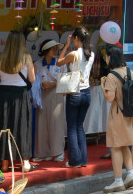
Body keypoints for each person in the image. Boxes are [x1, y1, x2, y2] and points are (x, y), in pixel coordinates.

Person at [0, 30, 36, 173]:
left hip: (2, 95)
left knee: (3, 127)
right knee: (22, 127)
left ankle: (4, 163)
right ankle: (25, 162)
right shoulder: (26, 58)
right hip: (20, 96)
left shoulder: (0, 58)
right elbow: (32, 79)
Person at [100, 44, 133, 193]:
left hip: (118, 114)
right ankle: (130, 174)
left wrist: (103, 86)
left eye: (106, 56)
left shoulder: (111, 76)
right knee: (125, 145)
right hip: (130, 113)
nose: (105, 58)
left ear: (111, 57)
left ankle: (117, 181)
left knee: (116, 146)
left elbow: (110, 98)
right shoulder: (129, 71)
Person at [57, 26, 95, 168]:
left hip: (74, 93)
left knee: (72, 127)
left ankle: (74, 161)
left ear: (77, 39)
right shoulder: (92, 54)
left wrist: (66, 46)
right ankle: (83, 160)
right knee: (80, 127)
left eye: (73, 39)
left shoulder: (73, 54)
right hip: (86, 93)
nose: (72, 41)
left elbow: (58, 62)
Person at [33, 39, 66, 162]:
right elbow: (33, 80)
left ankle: (58, 152)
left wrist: (51, 84)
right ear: (45, 50)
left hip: (56, 93)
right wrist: (41, 84)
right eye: (53, 49)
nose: (55, 51)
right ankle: (42, 152)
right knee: (41, 123)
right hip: (41, 94)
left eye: (56, 49)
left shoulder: (60, 63)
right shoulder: (37, 63)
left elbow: (65, 78)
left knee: (56, 123)